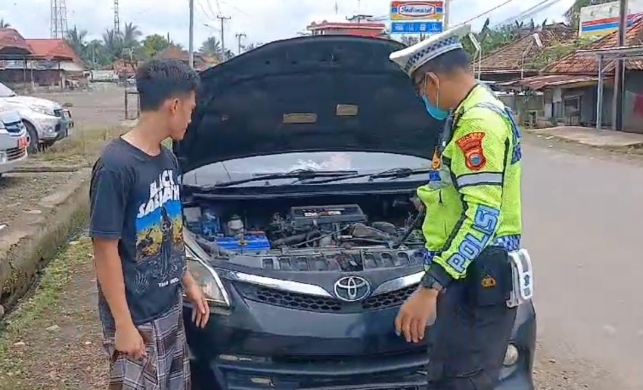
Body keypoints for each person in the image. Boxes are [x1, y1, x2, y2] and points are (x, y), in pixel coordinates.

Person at [389, 25, 524, 389]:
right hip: (467, 277)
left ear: (431, 80)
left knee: (462, 380)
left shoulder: (477, 125)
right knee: (450, 376)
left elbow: (482, 218)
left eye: (420, 90)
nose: (423, 98)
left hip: (478, 281)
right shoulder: (471, 113)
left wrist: (430, 287)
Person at [89, 59, 210, 390]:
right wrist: (123, 324)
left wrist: (188, 282)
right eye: (190, 108)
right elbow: (104, 249)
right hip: (138, 319)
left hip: (169, 305)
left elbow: (170, 231)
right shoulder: (116, 166)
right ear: (174, 106)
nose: (191, 117)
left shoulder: (168, 159)